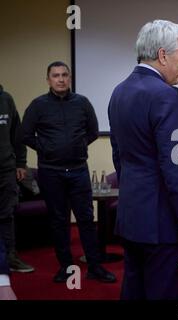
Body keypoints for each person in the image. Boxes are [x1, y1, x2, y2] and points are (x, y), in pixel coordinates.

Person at [108, 20, 178, 300]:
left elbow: (119, 157)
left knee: (134, 290)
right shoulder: (167, 96)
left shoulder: (119, 91)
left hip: (132, 215)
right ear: (163, 55)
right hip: (162, 224)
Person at [21, 61, 116, 284]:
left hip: (77, 171)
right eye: (56, 75)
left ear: (70, 78)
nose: (61, 79)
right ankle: (65, 267)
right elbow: (25, 134)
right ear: (48, 80)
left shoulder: (82, 103)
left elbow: (92, 131)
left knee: (85, 219)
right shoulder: (38, 105)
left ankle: (94, 267)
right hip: (51, 172)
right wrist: (45, 148)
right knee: (58, 220)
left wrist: (79, 145)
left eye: (64, 75)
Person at [0, 84, 34, 273]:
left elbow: (17, 134)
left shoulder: (6, 99)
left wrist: (20, 163)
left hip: (5, 169)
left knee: (6, 215)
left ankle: (10, 256)